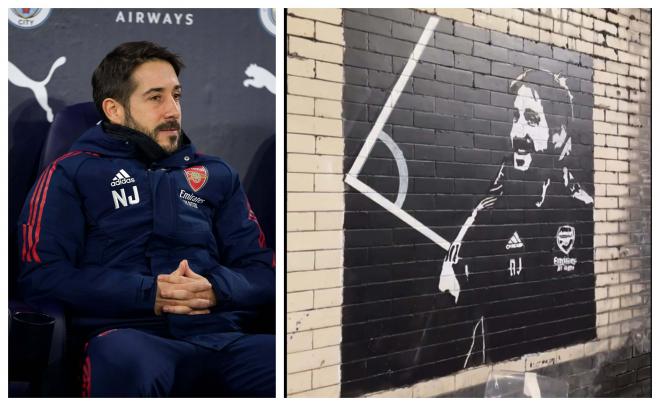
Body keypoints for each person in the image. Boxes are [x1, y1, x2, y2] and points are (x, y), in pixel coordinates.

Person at [17, 41, 275, 397]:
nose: (173, 110)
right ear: (115, 110)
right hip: (129, 336)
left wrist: (217, 288)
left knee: (286, 361)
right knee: (127, 361)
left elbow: (264, 269)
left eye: (176, 95)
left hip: (222, 336)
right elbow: (43, 276)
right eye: (155, 97)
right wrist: (149, 294)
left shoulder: (215, 174)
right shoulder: (71, 173)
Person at [436, 68, 595, 368]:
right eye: (515, 117)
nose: (518, 133)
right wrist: (451, 266)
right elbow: (473, 225)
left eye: (532, 119)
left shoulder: (581, 210)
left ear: (559, 136)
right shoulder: (497, 195)